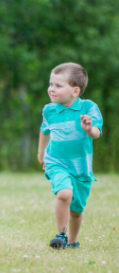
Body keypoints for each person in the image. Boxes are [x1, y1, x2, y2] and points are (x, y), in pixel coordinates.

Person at [38, 63, 103, 249]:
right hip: (56, 162)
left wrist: (89, 128)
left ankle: (73, 242)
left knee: (76, 211)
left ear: (75, 91)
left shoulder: (89, 108)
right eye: (51, 84)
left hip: (81, 168)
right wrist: (41, 153)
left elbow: (97, 132)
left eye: (58, 86)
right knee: (64, 194)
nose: (51, 89)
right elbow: (44, 130)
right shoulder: (49, 110)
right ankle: (61, 234)